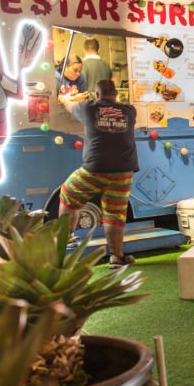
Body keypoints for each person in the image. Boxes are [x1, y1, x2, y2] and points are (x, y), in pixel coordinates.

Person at [58, 79, 139, 268]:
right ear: (117, 94)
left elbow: (68, 105)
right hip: (123, 170)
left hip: (95, 169)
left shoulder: (88, 109)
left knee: (68, 194)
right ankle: (117, 258)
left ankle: (67, 239)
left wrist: (63, 97)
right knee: (114, 213)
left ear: (96, 94)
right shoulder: (129, 111)